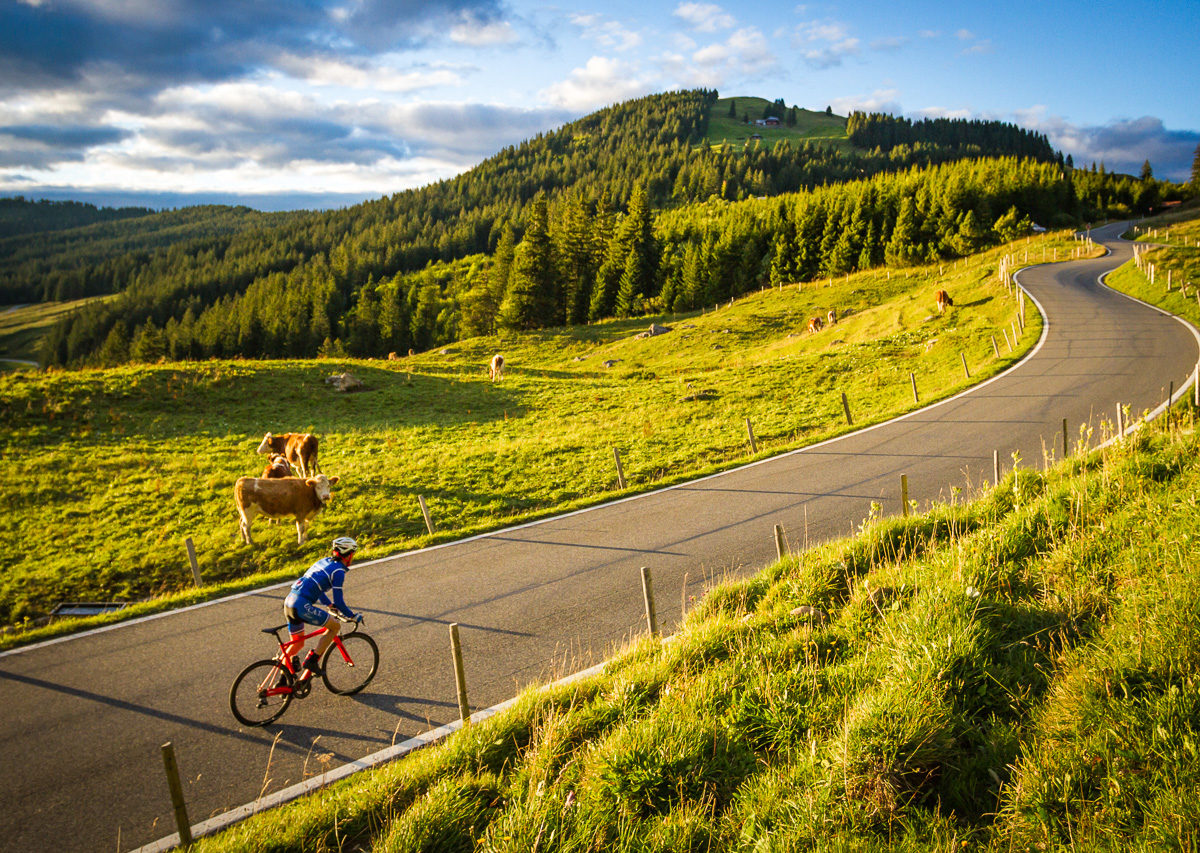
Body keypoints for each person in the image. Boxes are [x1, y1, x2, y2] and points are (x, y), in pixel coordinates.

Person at [283, 536, 362, 676]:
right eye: (353, 554)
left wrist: (328, 604)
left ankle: (283, 679)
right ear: (349, 555)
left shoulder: (323, 562)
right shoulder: (338, 571)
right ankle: (312, 661)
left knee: (297, 644)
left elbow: (317, 589)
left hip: (289, 601)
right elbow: (340, 601)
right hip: (301, 605)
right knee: (335, 627)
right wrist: (352, 616)